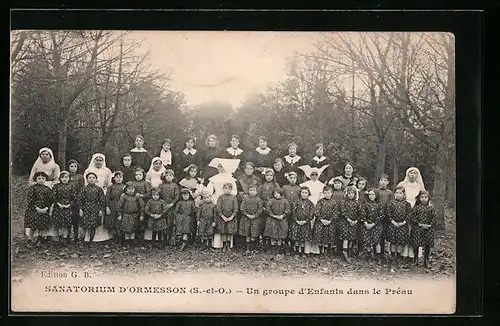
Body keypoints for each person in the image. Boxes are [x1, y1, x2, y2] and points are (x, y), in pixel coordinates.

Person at [27, 147, 60, 239]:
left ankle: (47, 235)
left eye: (47, 154)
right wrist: (35, 184)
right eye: (43, 154)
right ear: (40, 155)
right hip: (37, 188)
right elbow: (31, 179)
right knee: (35, 214)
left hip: (49, 188)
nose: (44, 156)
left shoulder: (55, 166)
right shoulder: (36, 165)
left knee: (49, 211)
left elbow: (57, 179)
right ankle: (33, 235)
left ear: (50, 155)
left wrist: (50, 185)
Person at [396, 167, 426, 262]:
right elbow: (398, 194)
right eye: (410, 173)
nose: (412, 175)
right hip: (404, 208)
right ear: (407, 174)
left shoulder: (419, 186)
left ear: (417, 175)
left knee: (415, 232)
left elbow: (424, 197)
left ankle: (413, 254)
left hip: (416, 209)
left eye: (414, 173)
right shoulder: (402, 184)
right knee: (404, 231)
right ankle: (402, 253)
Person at [83, 153, 113, 242]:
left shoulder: (107, 170)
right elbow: (85, 182)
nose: (98, 162)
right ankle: (89, 236)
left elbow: (109, 182)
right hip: (90, 193)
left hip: (102, 192)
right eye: (97, 160)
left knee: (101, 212)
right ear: (93, 160)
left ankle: (101, 235)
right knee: (90, 214)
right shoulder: (89, 170)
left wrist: (106, 188)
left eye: (100, 160)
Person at [24, 171, 53, 246]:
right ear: (35, 179)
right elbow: (30, 200)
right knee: (33, 226)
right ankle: (29, 240)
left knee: (42, 226)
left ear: (45, 179)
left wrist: (46, 208)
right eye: (39, 178)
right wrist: (37, 208)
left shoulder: (48, 189)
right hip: (34, 209)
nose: (41, 180)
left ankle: (39, 240)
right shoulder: (32, 188)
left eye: (43, 178)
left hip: (44, 209)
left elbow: (51, 200)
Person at [79, 172, 106, 249]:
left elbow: (102, 200)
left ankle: (91, 240)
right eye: (90, 178)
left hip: (95, 208)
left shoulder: (99, 189)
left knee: (93, 225)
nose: (91, 179)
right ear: (87, 179)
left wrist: (101, 209)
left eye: (93, 178)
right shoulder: (84, 189)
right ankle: (84, 240)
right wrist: (81, 209)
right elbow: (80, 200)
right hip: (86, 208)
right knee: (85, 224)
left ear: (96, 179)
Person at [409, 190, 436, 268]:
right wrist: (419, 223)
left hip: (428, 229)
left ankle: (426, 261)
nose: (424, 199)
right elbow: (412, 216)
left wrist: (429, 225)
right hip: (418, 228)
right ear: (419, 198)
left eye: (425, 197)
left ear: (428, 198)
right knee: (416, 244)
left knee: (427, 245)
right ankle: (416, 259)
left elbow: (434, 218)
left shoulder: (431, 208)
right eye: (422, 197)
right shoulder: (416, 207)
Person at [386, 186, 412, 265]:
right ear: (394, 194)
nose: (398, 195)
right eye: (396, 193)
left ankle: (399, 257)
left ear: (404, 194)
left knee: (401, 242)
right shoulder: (390, 203)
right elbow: (388, 213)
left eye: (400, 193)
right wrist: (393, 221)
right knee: (393, 241)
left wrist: (403, 222)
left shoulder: (407, 204)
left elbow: (409, 214)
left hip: (403, 225)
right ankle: (393, 257)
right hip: (392, 224)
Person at [338, 185, 361, 262]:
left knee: (352, 237)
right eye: (349, 193)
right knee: (346, 238)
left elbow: (360, 213)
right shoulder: (343, 202)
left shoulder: (357, 203)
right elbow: (343, 212)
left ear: (355, 194)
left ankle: (350, 252)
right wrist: (349, 220)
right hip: (345, 222)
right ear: (346, 194)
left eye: (352, 193)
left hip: (354, 222)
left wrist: (356, 221)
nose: (351, 195)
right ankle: (345, 253)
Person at [360, 188, 384, 262]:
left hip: (376, 225)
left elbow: (381, 215)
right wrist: (366, 223)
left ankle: (378, 256)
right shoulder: (365, 204)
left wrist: (373, 224)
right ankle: (369, 255)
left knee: (376, 241)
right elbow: (362, 214)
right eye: (369, 194)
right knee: (367, 241)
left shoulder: (379, 204)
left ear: (376, 195)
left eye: (373, 194)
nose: (371, 196)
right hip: (367, 225)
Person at [312, 185, 338, 255]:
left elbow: (335, 212)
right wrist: (321, 219)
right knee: (320, 236)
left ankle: (327, 251)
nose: (327, 194)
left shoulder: (334, 202)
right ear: (323, 193)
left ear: (331, 193)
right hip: (321, 221)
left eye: (328, 193)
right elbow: (316, 211)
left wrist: (330, 220)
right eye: (325, 193)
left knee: (329, 236)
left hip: (330, 222)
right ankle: (320, 251)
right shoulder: (320, 201)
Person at [263, 188, 291, 254]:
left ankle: (278, 249)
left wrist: (283, 215)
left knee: (280, 235)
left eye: (278, 193)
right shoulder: (271, 201)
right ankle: (273, 249)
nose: (276, 195)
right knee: (273, 234)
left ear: (281, 194)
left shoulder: (285, 201)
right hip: (272, 219)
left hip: (282, 220)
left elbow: (288, 209)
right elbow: (268, 209)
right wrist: (273, 215)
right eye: (275, 193)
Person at [289, 186, 315, 255]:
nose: (304, 194)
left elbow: (311, 213)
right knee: (296, 237)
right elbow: (293, 212)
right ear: (300, 193)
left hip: (305, 223)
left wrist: (306, 221)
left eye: (306, 193)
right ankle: (297, 251)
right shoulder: (296, 202)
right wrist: (296, 220)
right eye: (303, 192)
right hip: (297, 222)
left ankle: (303, 251)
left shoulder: (310, 203)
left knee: (304, 238)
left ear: (308, 194)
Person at [117, 182, 145, 246]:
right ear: (126, 189)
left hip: (134, 215)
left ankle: (133, 242)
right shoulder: (123, 197)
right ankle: (124, 242)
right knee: (124, 228)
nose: (130, 190)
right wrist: (119, 214)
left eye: (132, 189)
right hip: (126, 215)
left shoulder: (137, 197)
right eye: (128, 189)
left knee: (134, 228)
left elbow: (142, 206)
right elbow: (119, 206)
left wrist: (142, 215)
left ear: (134, 189)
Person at [51, 171, 75, 244]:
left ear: (69, 178)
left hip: (67, 207)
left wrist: (69, 205)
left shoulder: (71, 186)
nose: (64, 179)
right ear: (60, 178)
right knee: (57, 222)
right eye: (62, 177)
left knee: (66, 223)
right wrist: (58, 203)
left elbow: (73, 197)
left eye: (66, 177)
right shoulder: (56, 186)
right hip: (58, 206)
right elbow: (53, 196)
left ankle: (65, 237)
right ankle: (57, 237)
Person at [238, 185, 264, 253]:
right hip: (246, 219)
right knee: (247, 233)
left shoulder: (258, 200)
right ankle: (247, 248)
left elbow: (260, 209)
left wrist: (255, 215)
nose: (252, 192)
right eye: (251, 190)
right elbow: (242, 208)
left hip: (255, 219)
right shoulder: (245, 199)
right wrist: (247, 215)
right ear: (248, 191)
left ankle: (253, 248)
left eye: (254, 190)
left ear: (256, 191)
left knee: (253, 234)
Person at [215, 183, 239, 252]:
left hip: (231, 218)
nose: (227, 190)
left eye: (229, 188)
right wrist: (222, 216)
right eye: (226, 188)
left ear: (231, 189)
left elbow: (236, 208)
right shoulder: (221, 197)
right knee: (224, 232)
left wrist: (232, 216)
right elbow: (218, 208)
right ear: (223, 189)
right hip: (223, 218)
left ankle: (228, 245)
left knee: (229, 232)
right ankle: (224, 245)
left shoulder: (233, 198)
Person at [130, 167, 152, 244]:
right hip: (134, 204)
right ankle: (135, 238)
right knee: (135, 220)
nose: (138, 176)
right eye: (136, 175)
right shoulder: (132, 183)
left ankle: (143, 238)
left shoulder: (146, 183)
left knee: (143, 220)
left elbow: (149, 193)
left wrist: (142, 195)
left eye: (140, 174)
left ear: (143, 175)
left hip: (144, 203)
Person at [158, 170, 180, 246]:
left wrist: (172, 204)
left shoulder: (175, 186)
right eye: (167, 176)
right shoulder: (161, 185)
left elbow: (177, 196)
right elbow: (158, 195)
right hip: (163, 206)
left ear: (173, 177)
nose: (168, 177)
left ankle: (170, 239)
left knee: (170, 223)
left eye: (170, 175)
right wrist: (163, 204)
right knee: (163, 222)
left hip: (171, 207)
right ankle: (163, 239)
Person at [105, 171, 126, 242]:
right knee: (112, 220)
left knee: (119, 220)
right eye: (117, 177)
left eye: (120, 177)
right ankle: (114, 237)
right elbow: (107, 197)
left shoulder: (124, 187)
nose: (118, 179)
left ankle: (121, 237)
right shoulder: (111, 187)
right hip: (112, 205)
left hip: (121, 205)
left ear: (123, 178)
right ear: (114, 178)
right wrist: (107, 206)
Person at [67, 159, 84, 243]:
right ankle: (67, 235)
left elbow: (82, 189)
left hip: (76, 200)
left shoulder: (80, 177)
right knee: (67, 218)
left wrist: (78, 199)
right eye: (71, 166)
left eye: (75, 166)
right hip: (66, 200)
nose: (73, 168)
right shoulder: (66, 175)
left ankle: (76, 237)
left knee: (75, 219)